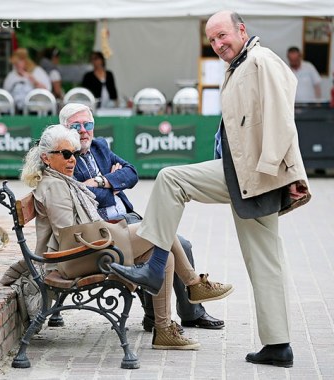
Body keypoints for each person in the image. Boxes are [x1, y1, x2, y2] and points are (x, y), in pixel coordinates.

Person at [110, 11, 311, 368]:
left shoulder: (261, 60)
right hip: (251, 174)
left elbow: (282, 117)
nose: (218, 45)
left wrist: (283, 172)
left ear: (242, 30)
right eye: (213, 40)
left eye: (223, 36)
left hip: (253, 173)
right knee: (266, 262)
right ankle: (278, 345)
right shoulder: (241, 64)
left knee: (171, 179)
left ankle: (156, 266)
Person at [20, 123, 233, 350]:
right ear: (46, 157)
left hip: (90, 248)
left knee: (162, 255)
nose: (72, 159)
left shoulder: (61, 180)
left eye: (73, 153)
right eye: (65, 154)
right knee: (160, 227)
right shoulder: (54, 185)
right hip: (76, 258)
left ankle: (163, 330)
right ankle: (193, 283)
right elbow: (69, 234)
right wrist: (110, 232)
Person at [59, 102, 225, 330]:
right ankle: (158, 313)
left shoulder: (99, 147)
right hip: (105, 231)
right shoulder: (65, 158)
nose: (83, 130)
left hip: (128, 219)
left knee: (180, 243)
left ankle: (192, 313)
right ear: (64, 129)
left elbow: (132, 173)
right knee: (164, 239)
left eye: (88, 124)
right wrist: (111, 185)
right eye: (76, 125)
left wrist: (101, 181)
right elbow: (82, 195)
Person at [3, 48, 52, 112]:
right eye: (15, 64)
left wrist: (32, 79)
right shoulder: (11, 75)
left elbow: (46, 91)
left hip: (36, 110)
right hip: (17, 111)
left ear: (25, 61)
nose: (16, 66)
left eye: (18, 63)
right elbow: (6, 95)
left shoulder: (38, 71)